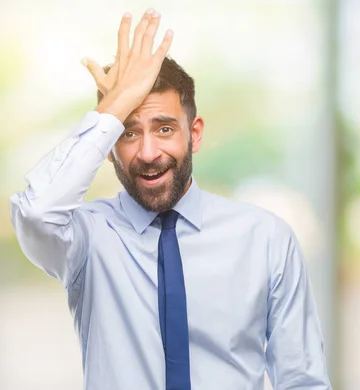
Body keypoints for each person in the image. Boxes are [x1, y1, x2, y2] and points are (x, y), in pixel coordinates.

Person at [9, 9, 331, 390]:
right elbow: (35, 212)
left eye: (164, 128)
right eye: (128, 133)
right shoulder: (86, 239)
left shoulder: (266, 239)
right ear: (109, 147)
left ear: (194, 134)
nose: (148, 152)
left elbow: (303, 381)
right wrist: (112, 109)